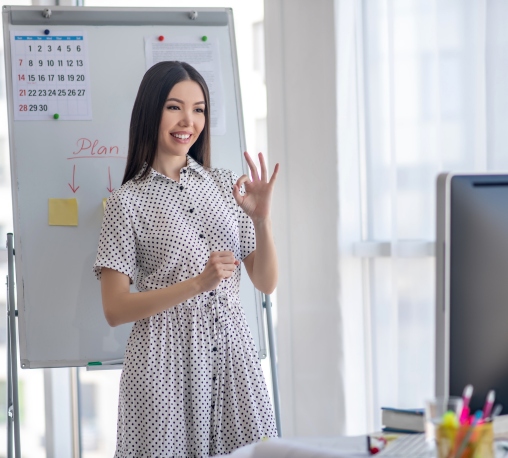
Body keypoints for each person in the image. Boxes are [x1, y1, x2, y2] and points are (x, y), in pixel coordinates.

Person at [93, 61, 279, 457]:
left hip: (233, 357)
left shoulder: (222, 185)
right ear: (151, 111)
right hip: (163, 368)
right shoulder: (127, 202)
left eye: (199, 109)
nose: (188, 121)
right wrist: (198, 283)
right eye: (175, 107)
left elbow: (265, 282)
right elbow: (114, 308)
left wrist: (261, 221)